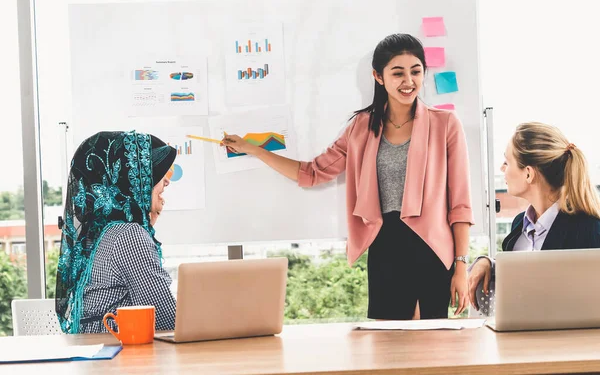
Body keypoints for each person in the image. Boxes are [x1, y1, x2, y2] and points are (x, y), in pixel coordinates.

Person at [222, 33, 474, 320]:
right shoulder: (362, 127)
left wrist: (461, 266)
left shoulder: (445, 125)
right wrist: (253, 150)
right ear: (378, 77)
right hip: (385, 246)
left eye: (416, 72)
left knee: (429, 352)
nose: (408, 81)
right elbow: (312, 173)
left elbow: (460, 204)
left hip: (431, 249)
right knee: (386, 352)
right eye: (398, 73)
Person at [468, 122, 600, 311]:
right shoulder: (519, 225)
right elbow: (529, 275)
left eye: (507, 162)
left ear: (528, 174)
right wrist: (489, 263)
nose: (502, 169)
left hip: (569, 339)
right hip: (519, 336)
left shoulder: (588, 229)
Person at [55, 131, 178, 333]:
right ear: (130, 179)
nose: (166, 182)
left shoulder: (97, 235)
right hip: (119, 358)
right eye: (151, 171)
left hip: (101, 358)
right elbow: (165, 319)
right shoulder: (128, 235)